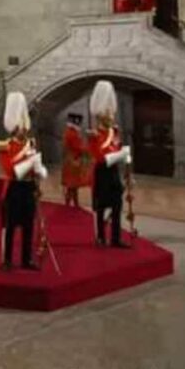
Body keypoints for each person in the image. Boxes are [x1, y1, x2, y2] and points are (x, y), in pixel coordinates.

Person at [0, 92, 48, 271]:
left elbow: (35, 169)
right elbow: (11, 170)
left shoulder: (31, 144)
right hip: (14, 188)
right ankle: (7, 259)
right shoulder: (6, 146)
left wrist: (39, 171)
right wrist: (30, 163)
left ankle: (26, 259)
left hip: (28, 187)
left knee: (28, 225)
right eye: (20, 126)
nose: (24, 129)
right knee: (10, 226)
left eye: (25, 125)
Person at [88, 80, 133, 248]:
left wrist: (128, 167)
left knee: (117, 205)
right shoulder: (94, 134)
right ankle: (100, 237)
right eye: (107, 112)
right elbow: (101, 157)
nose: (111, 115)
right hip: (102, 172)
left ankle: (115, 237)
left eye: (111, 111)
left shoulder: (114, 131)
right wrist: (120, 154)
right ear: (100, 115)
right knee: (101, 206)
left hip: (113, 172)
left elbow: (121, 148)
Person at [61, 113, 90, 208]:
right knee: (72, 184)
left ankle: (71, 203)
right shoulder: (73, 133)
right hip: (73, 160)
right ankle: (72, 204)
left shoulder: (68, 131)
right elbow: (78, 147)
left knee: (72, 185)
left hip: (69, 160)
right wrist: (89, 149)